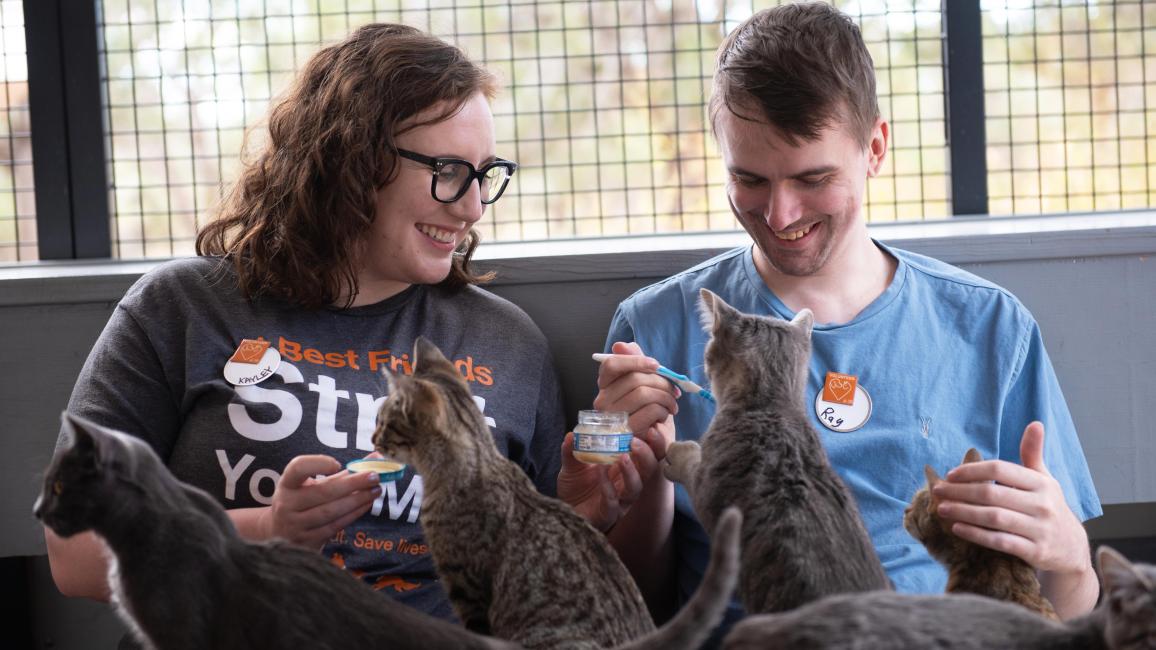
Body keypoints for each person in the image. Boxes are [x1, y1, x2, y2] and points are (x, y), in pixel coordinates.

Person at [557, 2, 1102, 645]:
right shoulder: (656, 327)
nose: (781, 214)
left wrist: (1069, 560)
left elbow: (1069, 612)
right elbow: (640, 605)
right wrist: (636, 486)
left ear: (874, 148)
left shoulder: (989, 328)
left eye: (812, 179)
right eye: (749, 179)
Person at [44, 22, 565, 626]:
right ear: (353, 161)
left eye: (483, 175)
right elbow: (73, 551)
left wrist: (598, 502)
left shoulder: (506, 342)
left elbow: (545, 574)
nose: (472, 207)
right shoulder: (184, 308)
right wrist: (268, 529)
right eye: (446, 170)